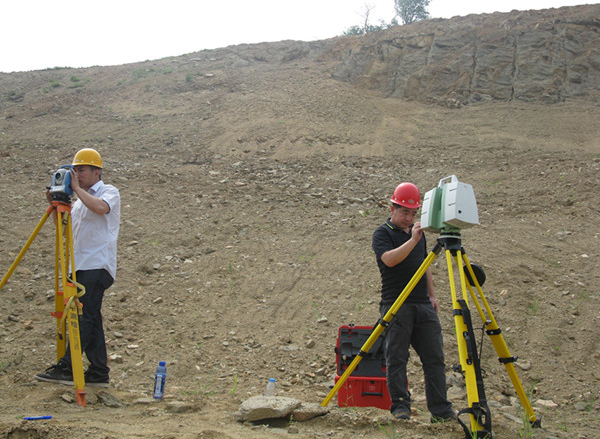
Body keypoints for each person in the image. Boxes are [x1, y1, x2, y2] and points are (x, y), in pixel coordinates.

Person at [35, 148, 120, 388]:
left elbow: (102, 208)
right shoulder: (79, 202)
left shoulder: (107, 191)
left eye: (81, 170)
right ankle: (98, 371)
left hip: (96, 264)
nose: (76, 174)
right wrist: (57, 203)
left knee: (85, 317)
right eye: (75, 170)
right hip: (78, 266)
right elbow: (64, 228)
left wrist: (78, 191)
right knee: (90, 317)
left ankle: (67, 368)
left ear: (96, 171)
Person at [372, 182, 454, 422]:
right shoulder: (382, 234)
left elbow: (424, 264)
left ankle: (440, 410)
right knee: (397, 358)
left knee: (435, 358)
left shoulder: (419, 236)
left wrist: (432, 295)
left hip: (422, 305)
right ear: (392, 208)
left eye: (412, 213)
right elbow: (389, 260)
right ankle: (400, 407)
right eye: (404, 212)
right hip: (396, 304)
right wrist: (413, 241)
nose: (409, 218)